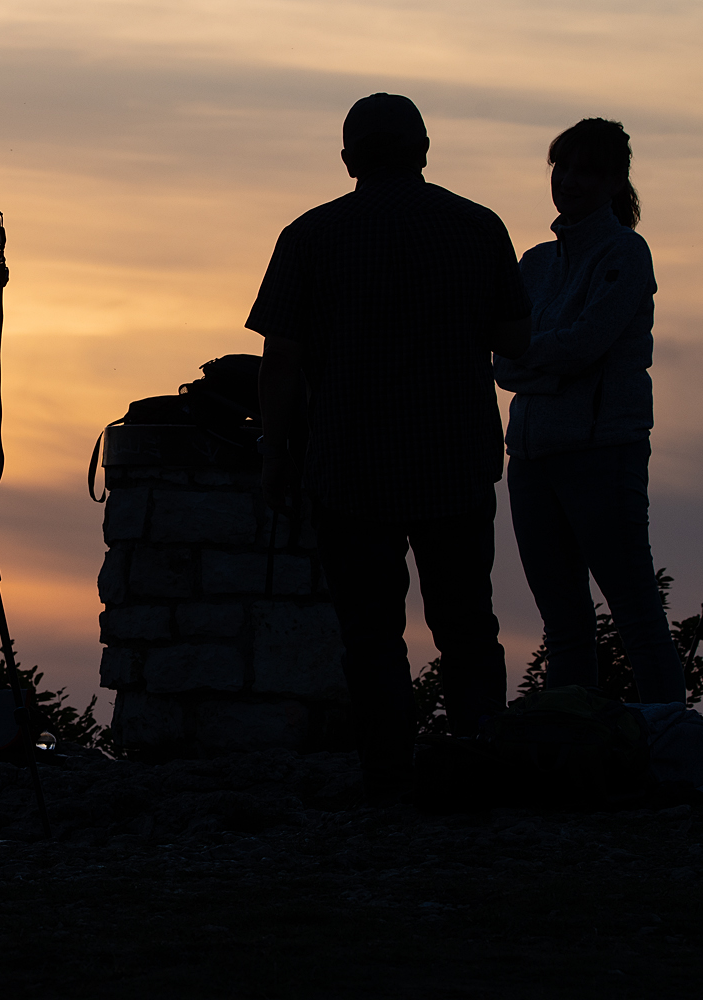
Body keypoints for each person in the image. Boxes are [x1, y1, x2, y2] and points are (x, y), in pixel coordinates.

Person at [248, 94, 532, 796]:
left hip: (350, 466)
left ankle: (386, 771)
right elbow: (516, 339)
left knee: (371, 634)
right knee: (467, 623)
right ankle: (478, 753)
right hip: (454, 460)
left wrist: (273, 451)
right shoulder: (478, 227)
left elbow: (281, 354)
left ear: (347, 159)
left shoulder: (309, 236)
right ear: (425, 150)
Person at [494, 119, 684, 704]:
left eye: (586, 170)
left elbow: (585, 343)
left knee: (634, 611)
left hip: (603, 453)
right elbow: (504, 360)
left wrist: (535, 362)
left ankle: (667, 744)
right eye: (562, 167)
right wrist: (545, 363)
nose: (570, 181)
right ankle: (572, 747)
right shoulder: (535, 262)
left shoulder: (627, 252)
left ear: (613, 181)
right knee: (563, 621)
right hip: (530, 457)